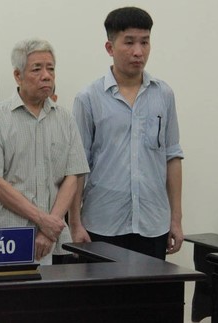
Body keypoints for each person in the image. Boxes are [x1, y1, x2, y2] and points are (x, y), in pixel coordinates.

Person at [70, 7, 184, 260]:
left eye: (145, 42)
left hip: (153, 223)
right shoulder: (88, 98)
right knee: (104, 299)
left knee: (151, 299)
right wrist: (75, 222)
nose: (138, 51)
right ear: (110, 48)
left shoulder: (163, 95)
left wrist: (175, 219)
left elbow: (172, 156)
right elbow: (76, 166)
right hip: (102, 223)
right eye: (129, 42)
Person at [0, 38, 89, 265]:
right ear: (18, 76)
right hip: (6, 235)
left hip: (53, 238)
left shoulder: (65, 119)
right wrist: (41, 219)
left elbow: (73, 176)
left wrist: (50, 227)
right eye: (37, 69)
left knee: (51, 300)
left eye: (51, 69)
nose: (46, 75)